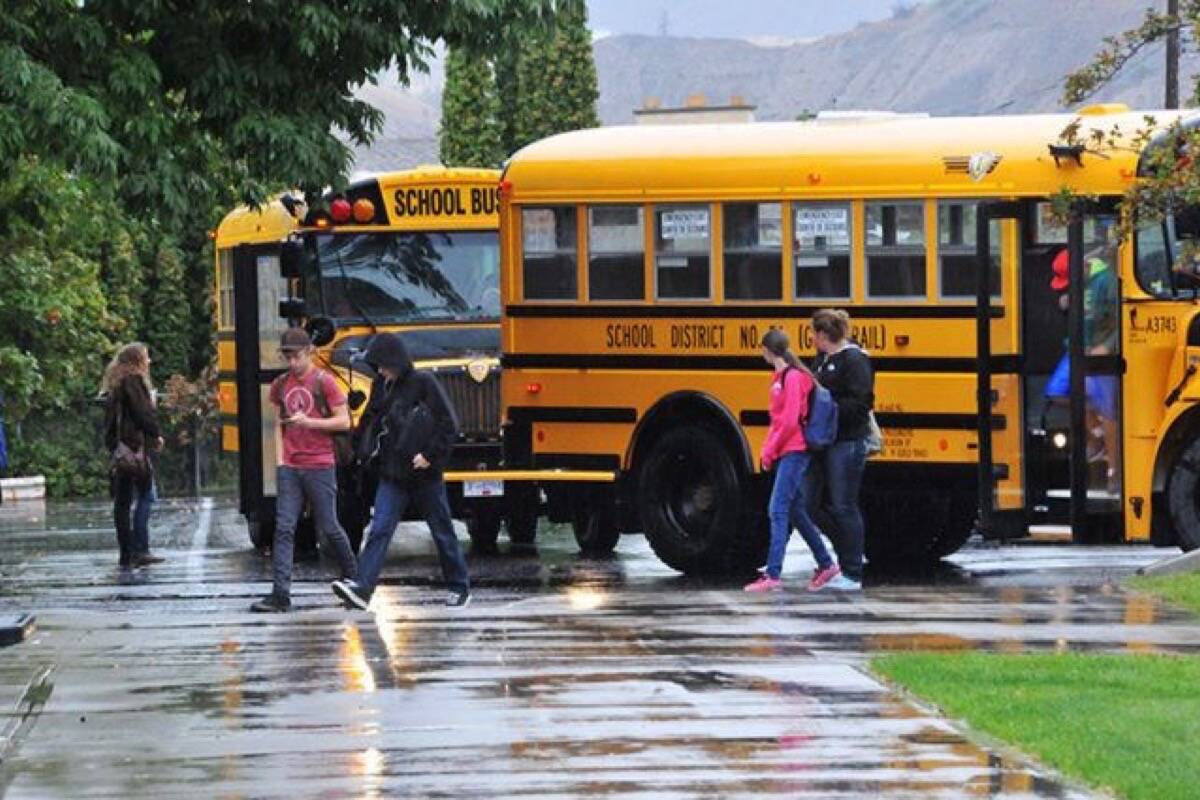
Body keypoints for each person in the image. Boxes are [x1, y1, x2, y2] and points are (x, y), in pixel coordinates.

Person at [332, 332, 471, 609]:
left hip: (424, 474)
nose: (381, 371)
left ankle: (459, 585)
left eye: (383, 365)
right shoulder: (383, 386)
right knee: (380, 528)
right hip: (392, 473)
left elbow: (449, 424)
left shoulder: (424, 382)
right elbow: (372, 420)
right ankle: (363, 587)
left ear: (395, 361)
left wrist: (430, 457)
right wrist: (358, 449)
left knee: (441, 529)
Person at [250, 328, 359, 613]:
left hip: (320, 463)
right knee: (284, 527)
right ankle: (280, 593)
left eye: (296, 356)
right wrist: (280, 461)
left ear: (309, 352)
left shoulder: (326, 382)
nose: (292, 362)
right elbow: (277, 423)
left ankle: (355, 578)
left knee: (329, 525)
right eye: (287, 357)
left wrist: (310, 423)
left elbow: (344, 422)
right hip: (291, 465)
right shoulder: (280, 384)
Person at [745, 329, 837, 593]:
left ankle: (773, 574)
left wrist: (770, 451)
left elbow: (788, 421)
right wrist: (768, 449)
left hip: (794, 451)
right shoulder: (781, 377)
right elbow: (778, 421)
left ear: (768, 349)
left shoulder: (793, 378)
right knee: (795, 510)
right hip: (786, 450)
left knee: (777, 509)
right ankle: (826, 563)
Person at [807, 309, 875, 592]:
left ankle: (852, 571)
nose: (810, 337)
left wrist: (828, 409)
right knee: (810, 504)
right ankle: (842, 555)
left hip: (847, 441)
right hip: (825, 441)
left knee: (844, 505)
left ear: (823, 335)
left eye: (813, 333)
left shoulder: (854, 360)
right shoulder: (823, 360)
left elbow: (861, 403)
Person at [102, 343, 165, 569]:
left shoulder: (115, 384)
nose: (148, 362)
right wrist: (155, 433)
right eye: (146, 358)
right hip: (134, 447)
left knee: (123, 502)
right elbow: (142, 413)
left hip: (121, 449)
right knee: (147, 495)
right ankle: (140, 548)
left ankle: (127, 552)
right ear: (137, 360)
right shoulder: (133, 382)